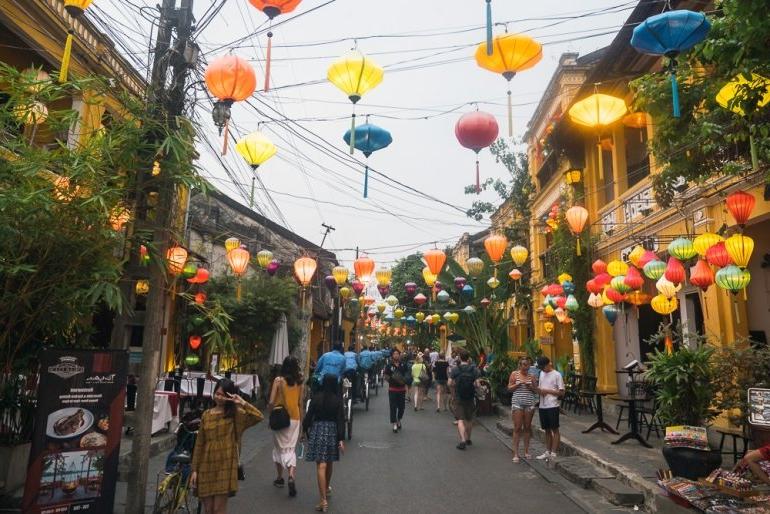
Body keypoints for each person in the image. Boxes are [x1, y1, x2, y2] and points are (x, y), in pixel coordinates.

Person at [191, 378, 263, 514]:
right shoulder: (206, 415)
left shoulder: (236, 416)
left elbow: (258, 416)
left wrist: (242, 402)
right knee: (208, 509)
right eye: (217, 393)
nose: (219, 397)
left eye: (223, 395)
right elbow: (199, 443)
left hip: (225, 465)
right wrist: (194, 469)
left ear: (230, 396)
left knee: (218, 509)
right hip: (206, 465)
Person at [303, 375, 345, 512]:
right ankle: (326, 488)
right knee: (330, 461)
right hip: (332, 430)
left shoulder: (316, 398)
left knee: (321, 465)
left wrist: (304, 430)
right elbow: (340, 420)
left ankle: (323, 500)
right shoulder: (337, 401)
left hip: (318, 429)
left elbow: (309, 416)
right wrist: (340, 439)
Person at [269, 356, 303, 497]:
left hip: (280, 418)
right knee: (290, 449)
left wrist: (270, 416)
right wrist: (302, 425)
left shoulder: (278, 381)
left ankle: (279, 477)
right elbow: (300, 403)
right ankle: (291, 476)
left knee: (278, 448)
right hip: (295, 418)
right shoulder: (299, 382)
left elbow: (271, 401)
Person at [449, 349, 480, 450]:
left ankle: (462, 440)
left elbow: (449, 383)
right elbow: (478, 384)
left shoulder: (455, 369)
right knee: (469, 419)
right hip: (470, 397)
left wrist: (455, 385)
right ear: (468, 358)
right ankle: (468, 439)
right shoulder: (474, 369)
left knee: (460, 419)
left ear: (459, 357)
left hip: (459, 396)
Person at [535, 356, 564, 461]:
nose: (542, 369)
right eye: (541, 367)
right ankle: (548, 451)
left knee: (554, 429)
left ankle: (554, 452)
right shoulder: (541, 373)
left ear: (549, 364)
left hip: (552, 405)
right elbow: (540, 389)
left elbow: (561, 392)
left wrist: (547, 391)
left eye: (543, 367)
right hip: (542, 405)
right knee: (546, 429)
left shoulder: (557, 375)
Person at [508, 357, 537, 462]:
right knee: (517, 427)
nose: (526, 367)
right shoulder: (514, 374)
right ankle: (515, 453)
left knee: (527, 427)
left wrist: (531, 388)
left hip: (529, 404)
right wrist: (517, 384)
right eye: (524, 364)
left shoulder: (532, 376)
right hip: (517, 404)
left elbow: (536, 390)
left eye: (528, 364)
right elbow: (509, 388)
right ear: (519, 365)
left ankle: (526, 451)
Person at [383, 348, 410, 432]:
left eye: (397, 354)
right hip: (392, 389)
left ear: (399, 355)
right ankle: (394, 423)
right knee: (393, 407)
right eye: (394, 354)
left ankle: (399, 419)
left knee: (402, 407)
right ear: (392, 355)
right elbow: (385, 376)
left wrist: (405, 380)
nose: (396, 355)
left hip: (402, 389)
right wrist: (392, 379)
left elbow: (408, 374)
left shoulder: (403, 365)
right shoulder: (389, 365)